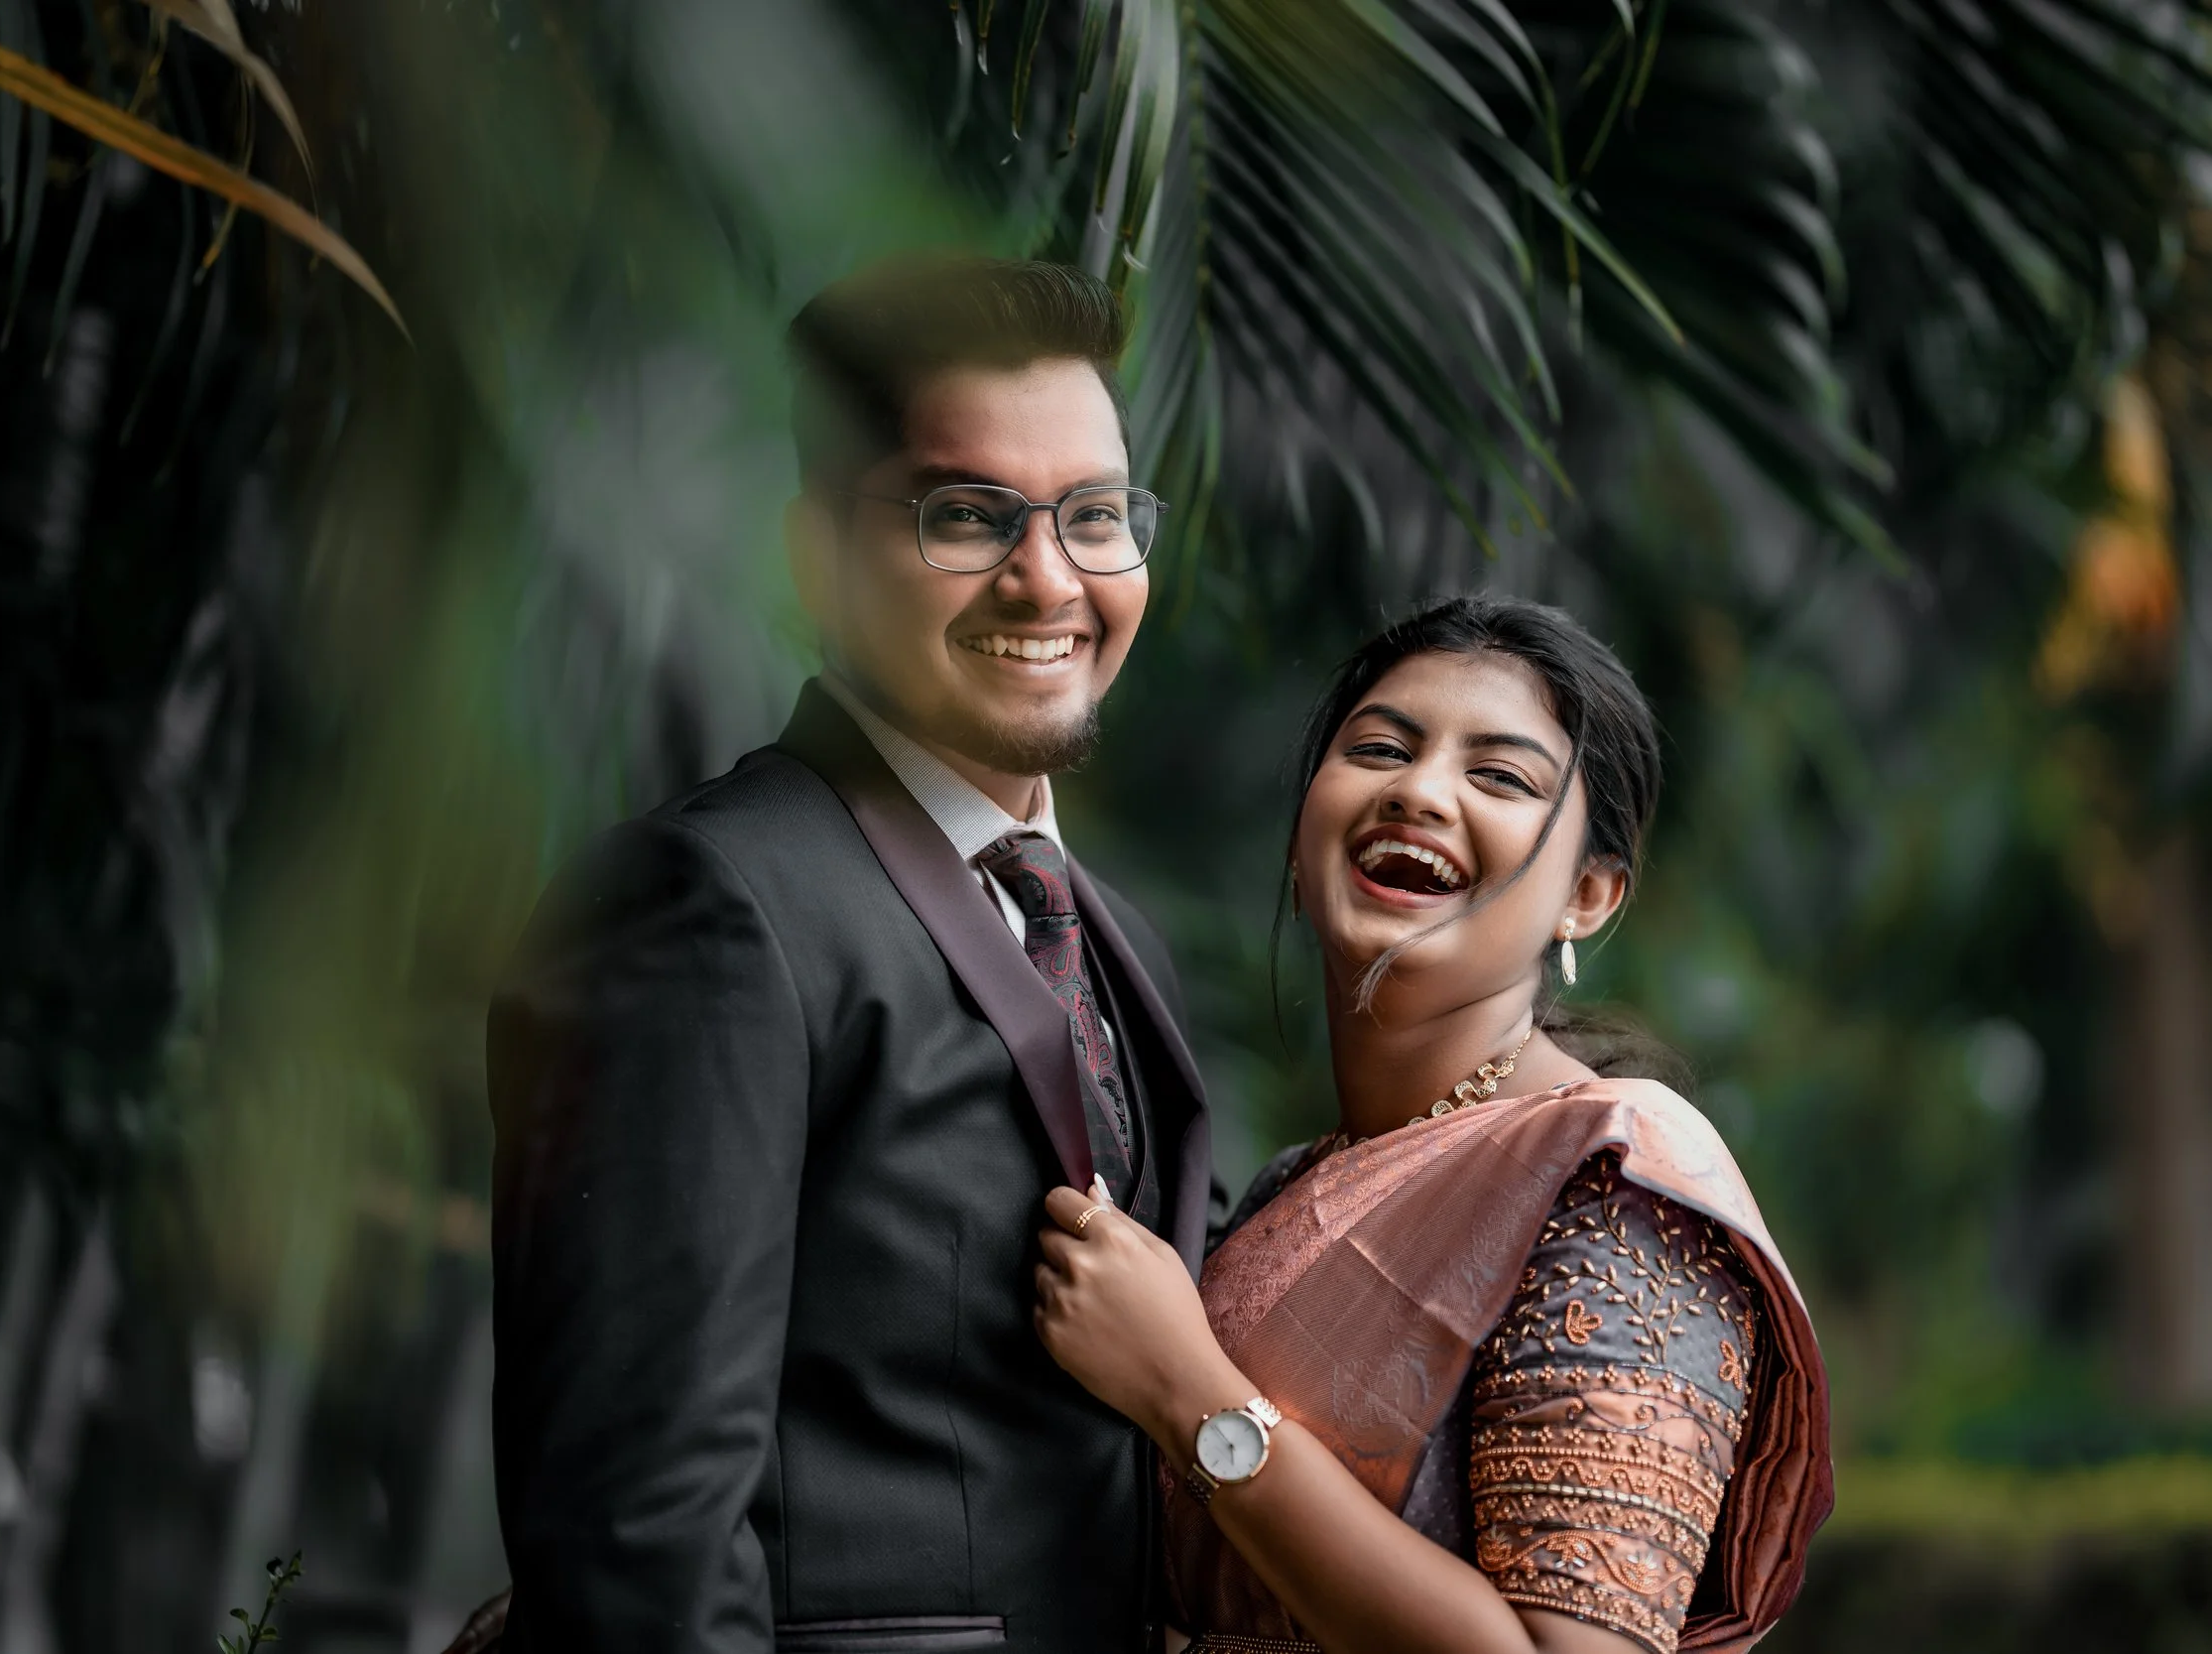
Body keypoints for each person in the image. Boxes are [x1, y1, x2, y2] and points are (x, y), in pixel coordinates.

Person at [482, 256, 1212, 1653]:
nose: (1048, 575)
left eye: (1097, 516)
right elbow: (642, 1533)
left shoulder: (1122, 941)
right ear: (815, 552)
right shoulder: (705, 905)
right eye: (966, 514)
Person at [1026, 596, 1834, 1654]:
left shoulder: (1615, 1191)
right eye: (1377, 748)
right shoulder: (1290, 1185)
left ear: (1587, 894)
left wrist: (1190, 1392)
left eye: (1498, 775)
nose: (1417, 790)